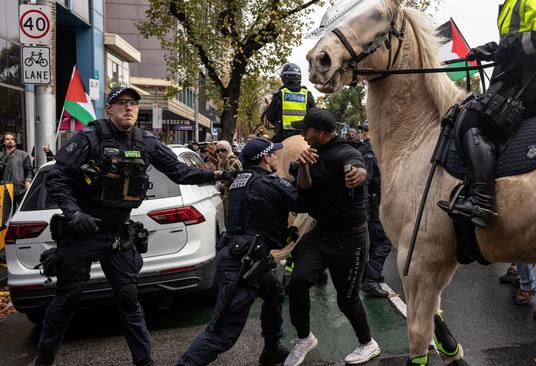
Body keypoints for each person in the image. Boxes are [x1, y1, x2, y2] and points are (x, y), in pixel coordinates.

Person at [36, 86, 220, 366]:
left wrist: (217, 174)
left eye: (133, 103)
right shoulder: (89, 138)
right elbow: (57, 178)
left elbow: (179, 171)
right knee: (66, 300)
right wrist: (74, 214)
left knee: (129, 299)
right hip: (82, 232)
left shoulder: (145, 141)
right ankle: (44, 359)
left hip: (117, 234)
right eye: (121, 103)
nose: (129, 108)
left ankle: (144, 361)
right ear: (108, 109)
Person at [438, 0, 536, 228]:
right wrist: (492, 48)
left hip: (533, 73)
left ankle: (481, 202)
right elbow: (516, 39)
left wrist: (499, 50)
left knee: (473, 120)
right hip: (518, 72)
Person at [178, 137, 306, 366]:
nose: (277, 156)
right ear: (266, 158)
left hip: (245, 257)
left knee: (274, 292)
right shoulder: (268, 183)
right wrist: (300, 174)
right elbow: (301, 202)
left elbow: (257, 217)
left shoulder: (241, 179)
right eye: (273, 154)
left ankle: (272, 349)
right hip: (242, 265)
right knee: (221, 334)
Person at [284, 108, 381, 366]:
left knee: (346, 300)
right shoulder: (311, 155)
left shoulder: (346, 151)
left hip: (351, 239)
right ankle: (304, 338)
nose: (302, 134)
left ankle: (368, 343)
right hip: (322, 233)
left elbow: (357, 167)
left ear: (319, 132)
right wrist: (303, 165)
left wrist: (358, 175)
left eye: (306, 129)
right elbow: (304, 186)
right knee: (297, 281)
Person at [357, 121, 391, 298]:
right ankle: (370, 279)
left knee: (375, 242)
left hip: (372, 203)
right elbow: (366, 182)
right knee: (384, 241)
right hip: (374, 204)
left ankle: (369, 274)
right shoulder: (371, 152)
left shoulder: (364, 149)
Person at [266, 63, 316, 143]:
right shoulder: (307, 95)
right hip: (304, 136)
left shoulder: (279, 95)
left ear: (285, 78)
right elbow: (314, 117)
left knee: (266, 151)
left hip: (282, 137)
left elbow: (270, 117)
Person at [0, 131, 33, 211]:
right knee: (5, 215)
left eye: (12, 139)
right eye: (7, 139)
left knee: (21, 212)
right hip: (4, 189)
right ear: (4, 142)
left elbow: (29, 170)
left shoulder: (23, 155)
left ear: (15, 142)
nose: (10, 141)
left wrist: (28, 181)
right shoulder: (0, 155)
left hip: (19, 189)